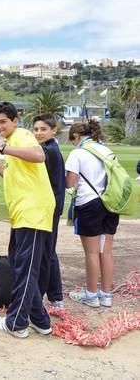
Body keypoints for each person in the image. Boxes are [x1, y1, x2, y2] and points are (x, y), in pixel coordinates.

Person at [0, 102, 55, 338]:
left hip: (33, 213)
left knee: (25, 269)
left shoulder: (22, 135)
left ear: (15, 121)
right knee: (20, 265)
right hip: (23, 214)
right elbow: (14, 177)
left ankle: (16, 323)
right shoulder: (14, 142)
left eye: (3, 122)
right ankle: (40, 319)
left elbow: (39, 155)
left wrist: (4, 148)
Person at [65, 120, 119, 308]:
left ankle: (90, 295)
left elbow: (70, 183)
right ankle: (106, 295)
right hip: (110, 203)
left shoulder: (78, 153)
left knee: (91, 252)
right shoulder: (106, 150)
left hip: (88, 204)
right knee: (106, 251)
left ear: (77, 136)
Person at [32, 114, 66, 309]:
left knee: (45, 253)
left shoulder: (47, 151)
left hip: (49, 207)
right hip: (54, 205)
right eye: (36, 129)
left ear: (53, 130)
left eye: (43, 129)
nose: (38, 133)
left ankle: (42, 296)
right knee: (49, 251)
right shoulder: (51, 148)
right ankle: (56, 295)